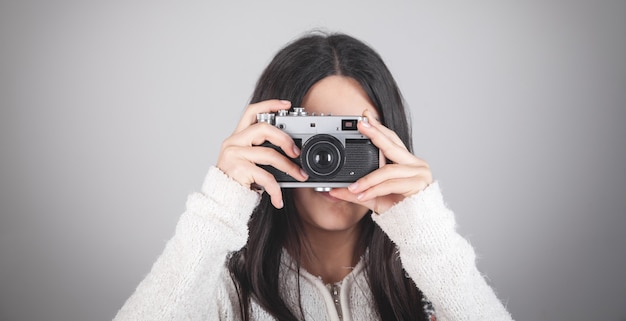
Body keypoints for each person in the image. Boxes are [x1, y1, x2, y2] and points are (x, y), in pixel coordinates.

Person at [113, 32, 514, 321]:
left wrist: (426, 231)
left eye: (353, 133)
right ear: (267, 140)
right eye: (312, 137)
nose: (327, 158)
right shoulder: (218, 295)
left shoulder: (432, 288)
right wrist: (221, 205)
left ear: (393, 144)